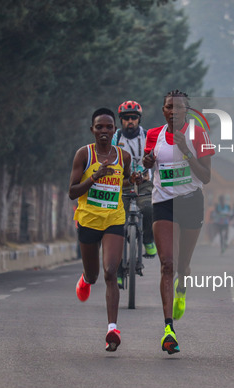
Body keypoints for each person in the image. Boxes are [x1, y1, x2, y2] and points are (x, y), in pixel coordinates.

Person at [143, 89, 214, 354]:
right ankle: (168, 329)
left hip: (191, 201)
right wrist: (147, 162)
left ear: (187, 111)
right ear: (163, 111)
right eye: (169, 107)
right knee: (167, 264)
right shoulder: (153, 135)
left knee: (183, 265)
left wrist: (186, 150)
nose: (174, 111)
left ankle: (182, 287)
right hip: (163, 202)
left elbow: (206, 177)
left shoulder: (198, 135)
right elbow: (148, 163)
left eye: (179, 107)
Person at [68, 107, 141, 352]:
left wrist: (135, 180)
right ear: (92, 130)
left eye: (109, 127)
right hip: (88, 220)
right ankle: (86, 279)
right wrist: (95, 177)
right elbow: (72, 192)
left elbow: (128, 178)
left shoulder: (123, 157)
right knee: (94, 275)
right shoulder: (84, 155)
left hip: (113, 219)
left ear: (114, 130)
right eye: (99, 127)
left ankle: (112, 328)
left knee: (111, 272)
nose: (104, 131)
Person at [112, 100, 157, 289]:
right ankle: (118, 273)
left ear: (139, 119)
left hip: (144, 183)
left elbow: (156, 157)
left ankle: (147, 238)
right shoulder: (116, 137)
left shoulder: (148, 136)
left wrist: (149, 171)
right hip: (122, 183)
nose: (130, 122)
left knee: (148, 208)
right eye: (126, 118)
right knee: (116, 226)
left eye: (134, 118)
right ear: (121, 120)